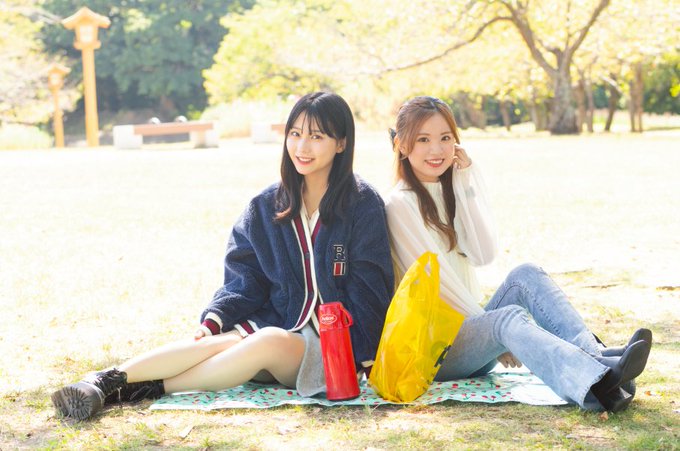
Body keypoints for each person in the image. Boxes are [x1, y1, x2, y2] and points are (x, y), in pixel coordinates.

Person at [52, 92, 394, 421]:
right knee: (217, 342)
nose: (302, 147)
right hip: (273, 326)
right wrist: (215, 319)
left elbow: (371, 287)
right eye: (295, 134)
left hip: (332, 350)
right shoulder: (267, 205)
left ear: (341, 143)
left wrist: (363, 354)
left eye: (317, 136)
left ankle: (144, 390)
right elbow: (245, 276)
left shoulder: (362, 204)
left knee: (267, 341)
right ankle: (102, 382)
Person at [384, 96, 651, 412]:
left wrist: (466, 179)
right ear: (402, 145)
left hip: (468, 334)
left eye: (445, 138)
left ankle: (595, 357)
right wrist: (494, 331)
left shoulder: (450, 189)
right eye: (423, 140)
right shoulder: (400, 205)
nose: (437, 150)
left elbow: (483, 254)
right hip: (435, 352)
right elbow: (442, 286)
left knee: (526, 274)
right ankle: (593, 382)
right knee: (507, 318)